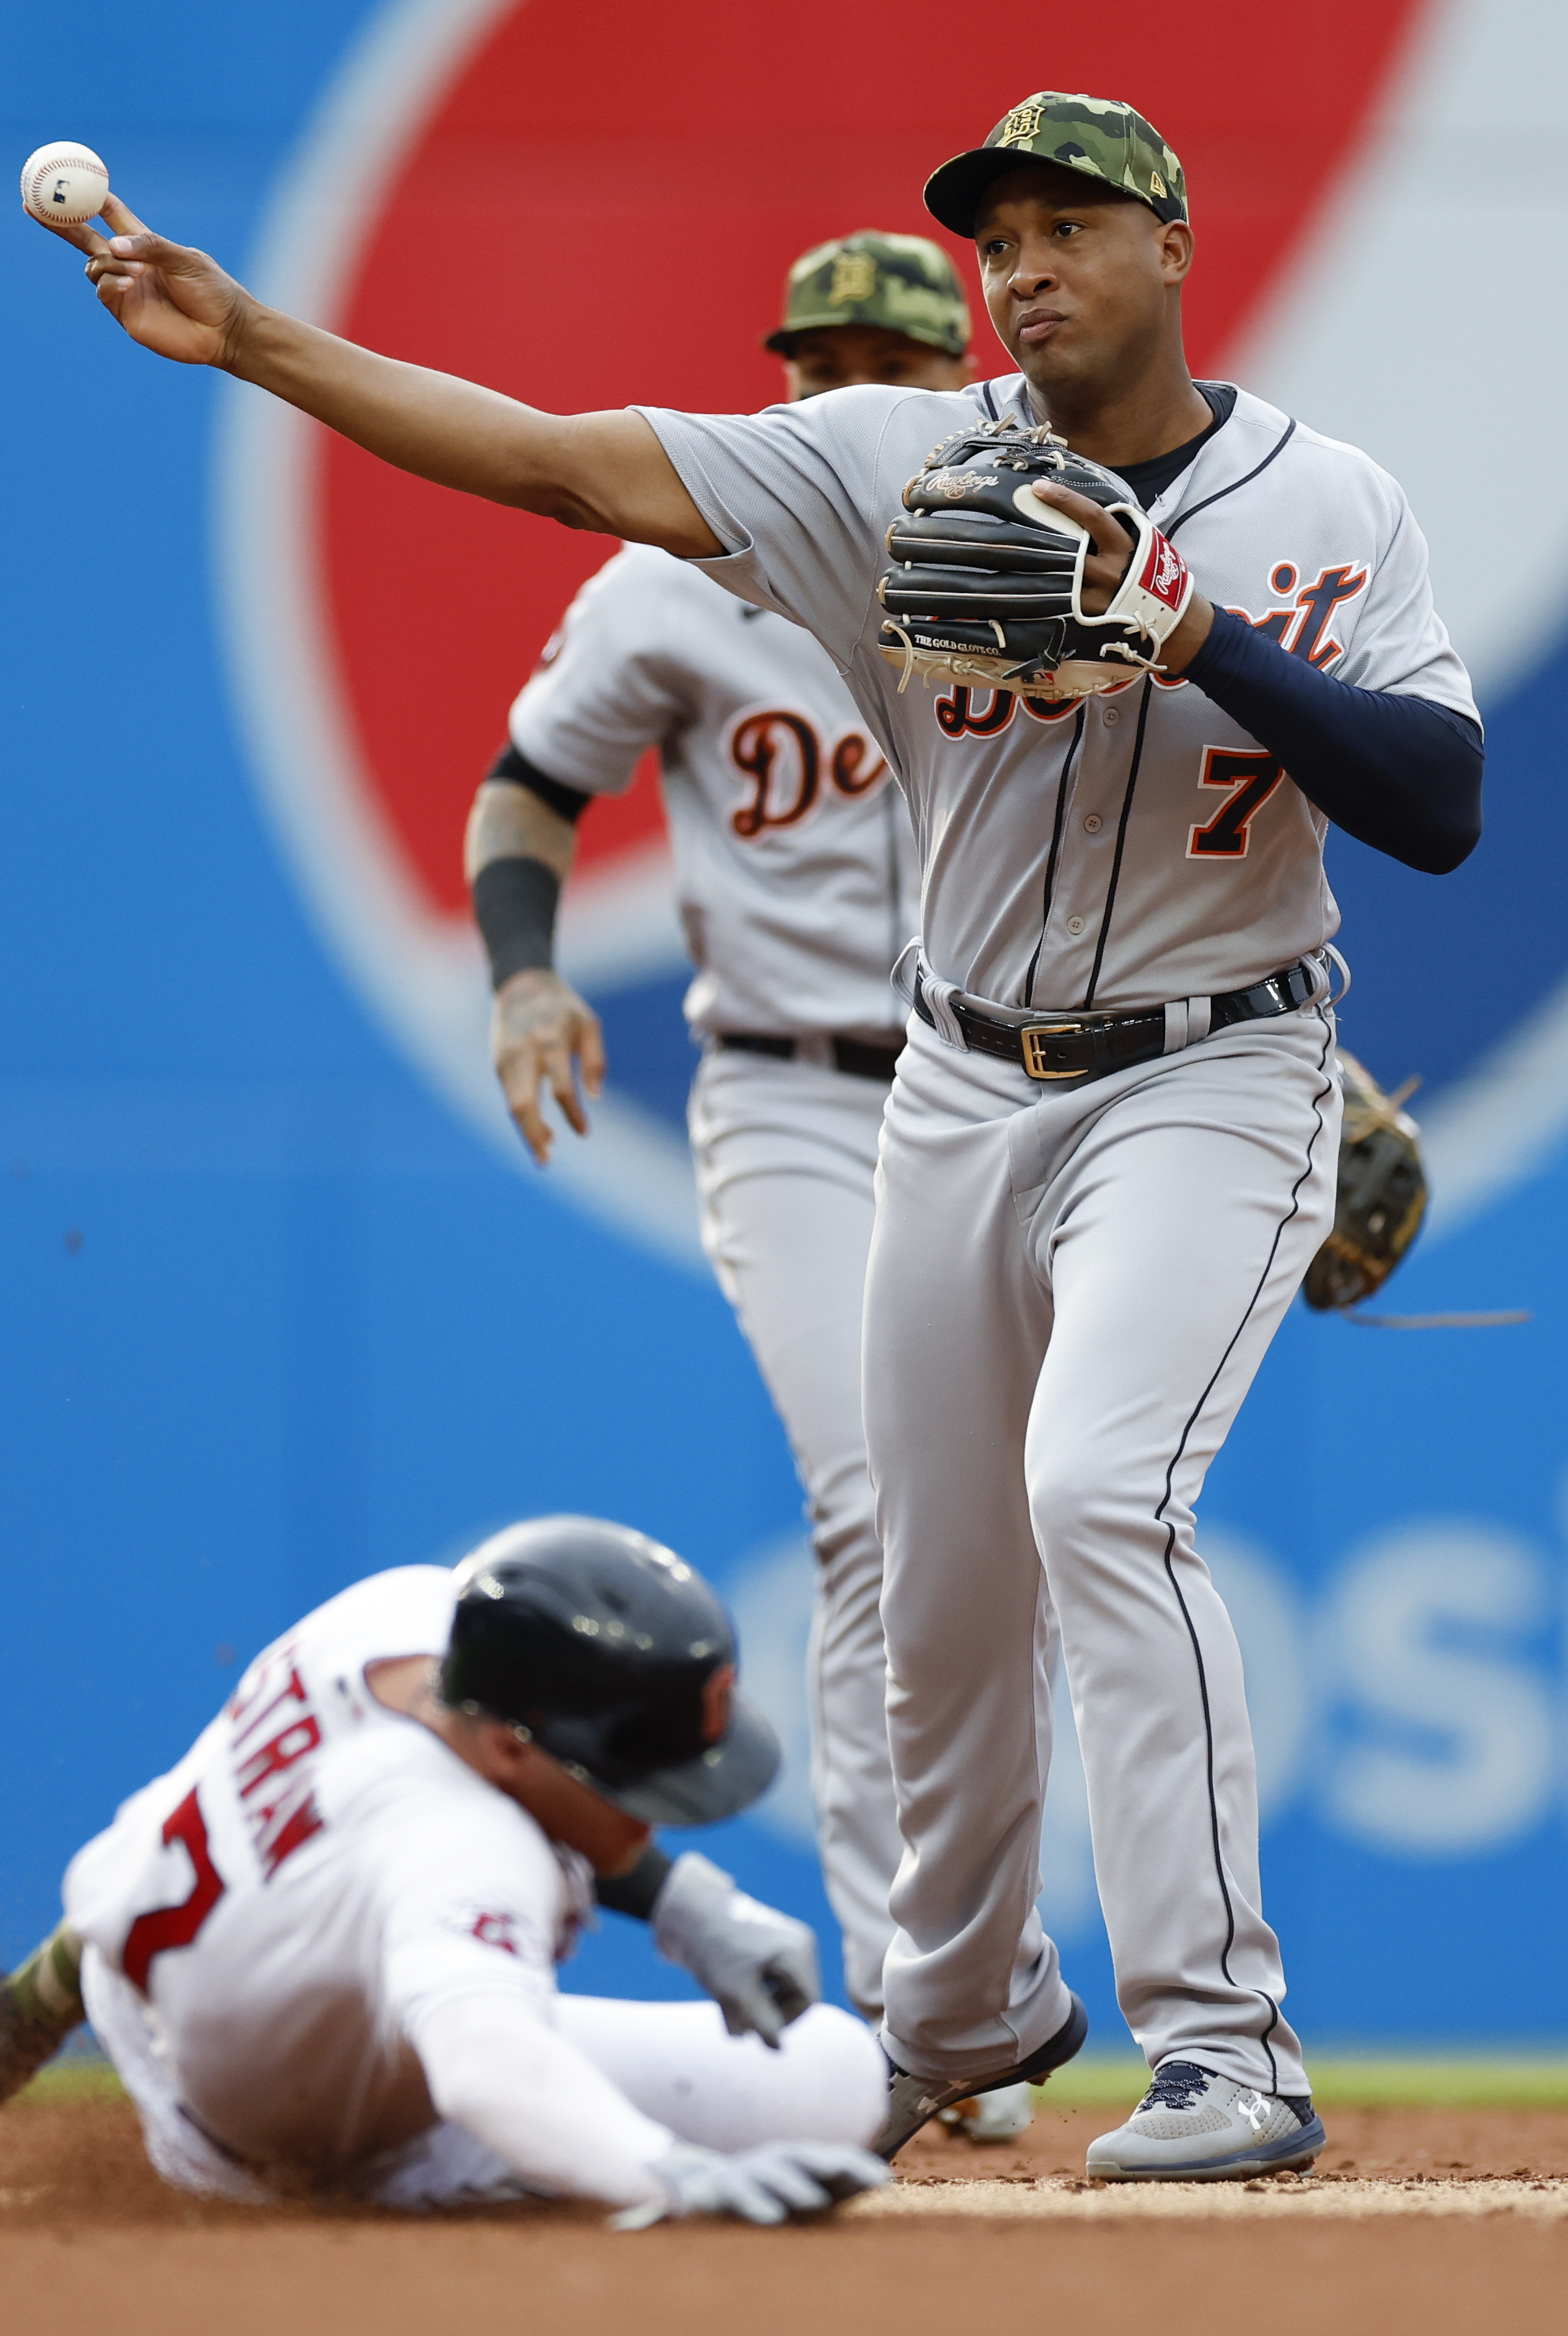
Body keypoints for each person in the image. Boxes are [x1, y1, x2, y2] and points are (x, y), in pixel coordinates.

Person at [39, 89, 1484, 2182]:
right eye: (1000, 235)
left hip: (1217, 1065)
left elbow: (1438, 803)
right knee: (937, 1571)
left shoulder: (1324, 498)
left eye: (1071, 221)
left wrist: (1193, 631)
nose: (1028, 262)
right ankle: (962, 2006)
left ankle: (1226, 2045)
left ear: (1172, 244)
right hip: (955, 1081)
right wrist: (257, 336)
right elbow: (547, 460)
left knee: (1098, 1490)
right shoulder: (894, 463)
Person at [465, 229, 1023, 2146]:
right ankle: (911, 2009)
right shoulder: (670, 585)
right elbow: (530, 782)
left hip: (998, 1086)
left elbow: (1174, 847)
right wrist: (526, 969)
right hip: (787, 1095)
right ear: (779, 380)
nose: (849, 392)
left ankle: (958, 1974)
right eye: (824, 362)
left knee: (1010, 1532)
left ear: (964, 385)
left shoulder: (1035, 571)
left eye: (894, 361)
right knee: (875, 1508)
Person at [0, 1519, 889, 2225]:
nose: (646, 1809)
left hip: (165, 1975)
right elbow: (489, 2069)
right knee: (836, 2079)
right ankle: (441, 2193)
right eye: (629, 1779)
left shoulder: (396, 1619)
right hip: (297, 2147)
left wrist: (675, 1898)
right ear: (504, 1749)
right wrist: (666, 2173)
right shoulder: (465, 1845)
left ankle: (2, 2016)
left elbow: (156, 1841)